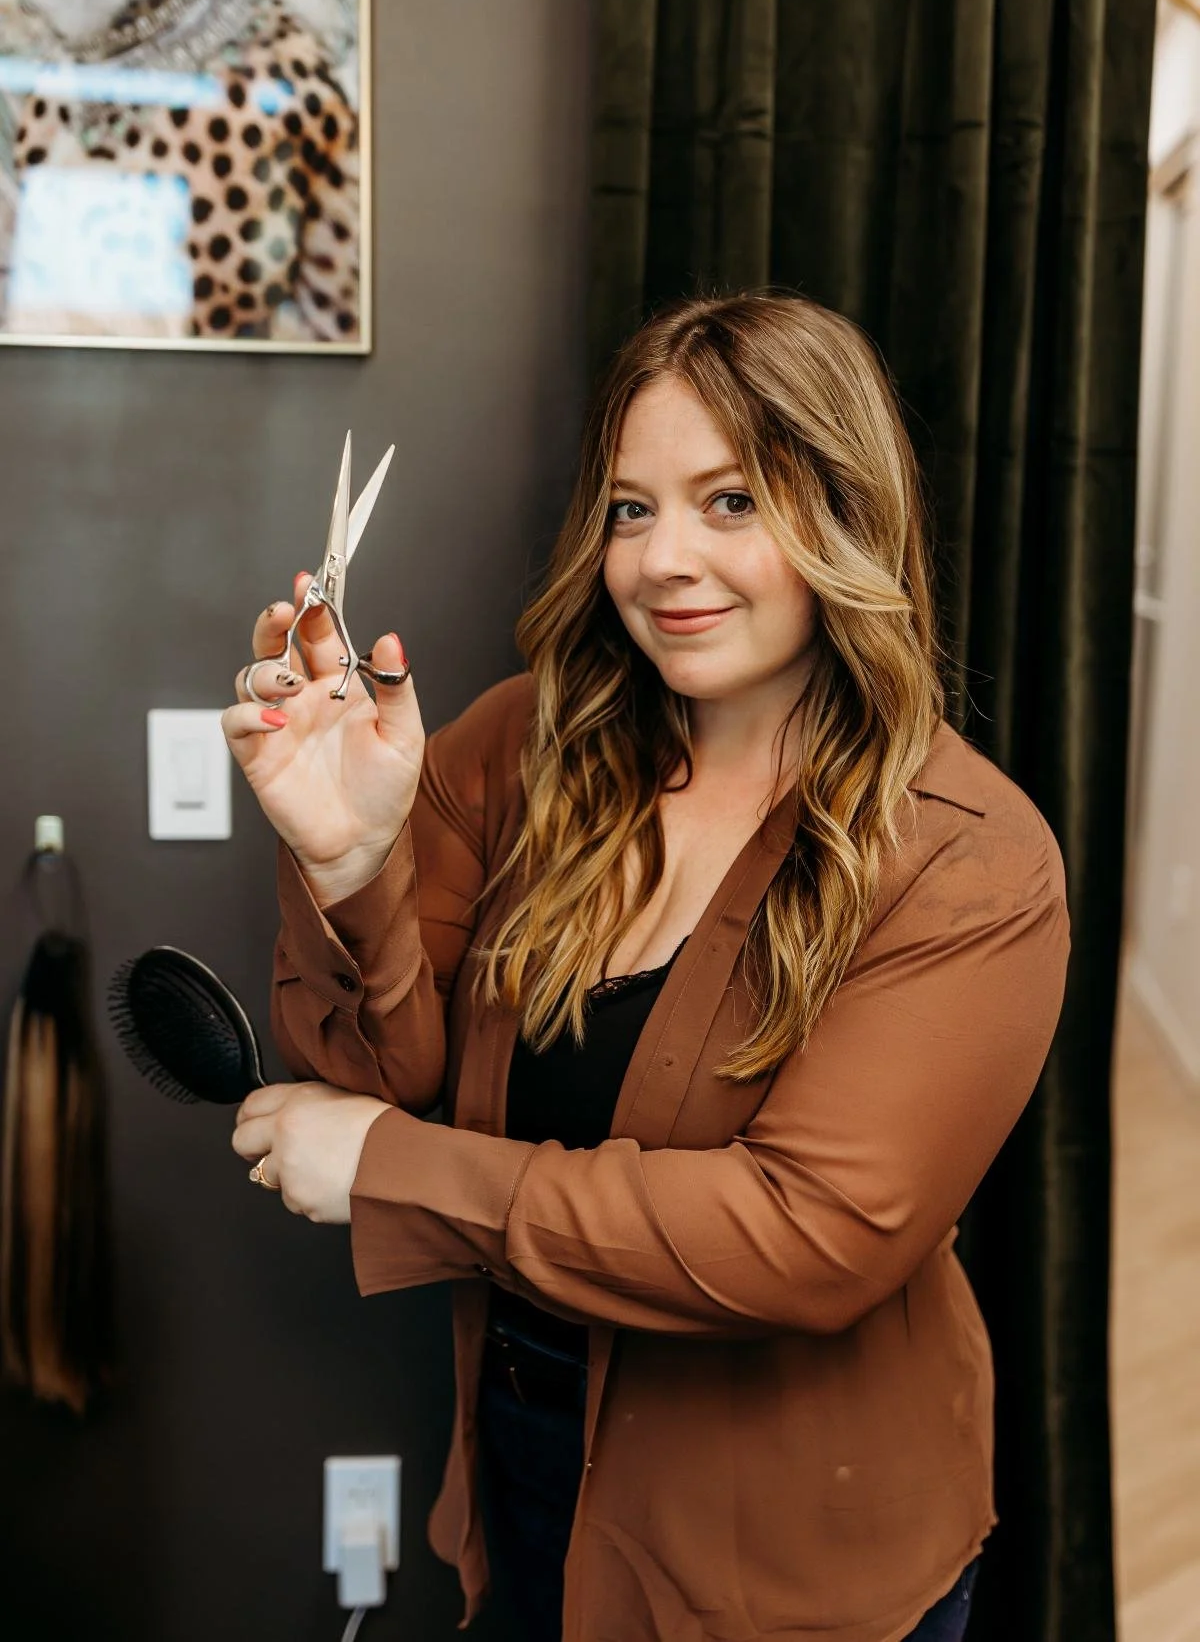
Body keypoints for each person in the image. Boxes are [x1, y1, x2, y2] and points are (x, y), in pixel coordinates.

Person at [223, 292, 1070, 1642]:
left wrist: (395, 1167)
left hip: (794, 1562)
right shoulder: (521, 747)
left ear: (847, 515)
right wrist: (346, 859)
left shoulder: (970, 860)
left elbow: (805, 1235)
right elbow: (378, 1066)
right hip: (525, 1465)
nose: (665, 558)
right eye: (630, 508)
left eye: (732, 500)